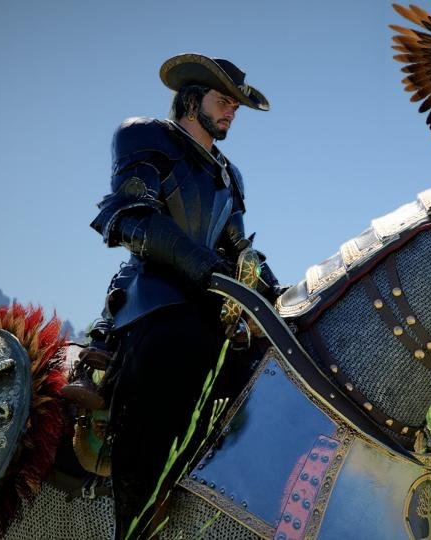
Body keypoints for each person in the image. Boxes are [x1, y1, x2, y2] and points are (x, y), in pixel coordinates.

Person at [87, 53, 281, 538]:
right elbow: (131, 216)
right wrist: (200, 263)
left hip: (211, 309)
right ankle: (135, 525)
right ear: (192, 99)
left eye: (236, 105)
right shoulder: (144, 135)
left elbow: (239, 250)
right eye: (223, 100)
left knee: (271, 373)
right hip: (154, 301)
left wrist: (282, 298)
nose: (231, 111)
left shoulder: (230, 175)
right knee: (178, 347)